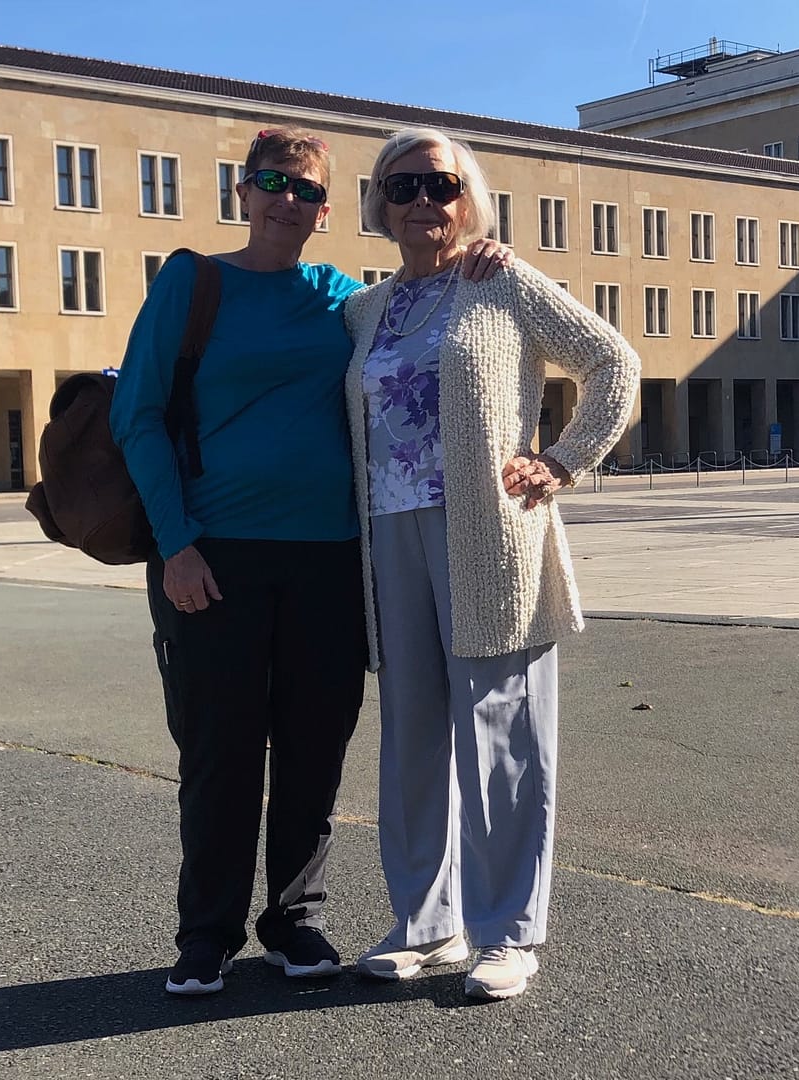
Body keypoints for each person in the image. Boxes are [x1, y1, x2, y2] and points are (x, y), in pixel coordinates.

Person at [109, 126, 507, 997]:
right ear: (243, 193)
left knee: (314, 747)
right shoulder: (192, 282)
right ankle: (207, 931)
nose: (286, 200)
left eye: (306, 191)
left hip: (332, 557)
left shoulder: (344, 300)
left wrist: (482, 253)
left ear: (327, 211)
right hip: (213, 554)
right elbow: (136, 417)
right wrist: (175, 544)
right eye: (271, 183)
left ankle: (293, 919)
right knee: (219, 748)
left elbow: (424, 308)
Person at [342, 127, 640, 1001]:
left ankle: (509, 932)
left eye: (440, 185)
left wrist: (562, 461)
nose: (421, 201)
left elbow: (612, 362)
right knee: (411, 734)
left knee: (504, 735)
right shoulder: (364, 309)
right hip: (387, 535)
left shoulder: (500, 281)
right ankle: (425, 924)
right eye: (402, 187)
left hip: (490, 538)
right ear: (378, 203)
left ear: (467, 197)